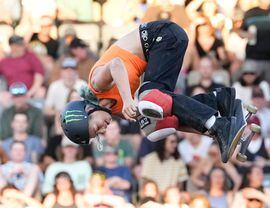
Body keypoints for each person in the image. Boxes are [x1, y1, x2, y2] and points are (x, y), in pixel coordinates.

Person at [60, 20, 247, 163]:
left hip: (161, 35)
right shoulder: (117, 110)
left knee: (149, 97)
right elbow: (174, 120)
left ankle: (220, 124)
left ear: (88, 112)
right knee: (154, 124)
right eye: (100, 134)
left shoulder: (96, 85)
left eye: (96, 128)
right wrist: (214, 134)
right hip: (166, 47)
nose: (103, 129)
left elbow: (115, 65)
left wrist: (127, 100)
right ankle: (221, 103)